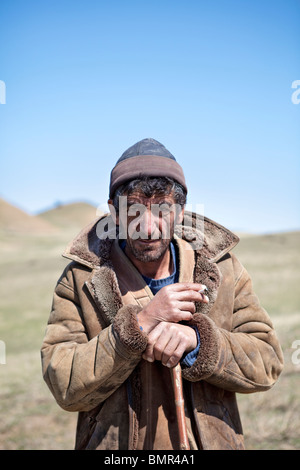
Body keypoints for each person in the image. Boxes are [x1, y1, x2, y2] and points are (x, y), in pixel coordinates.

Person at [41, 138, 284, 450]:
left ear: (181, 211)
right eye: (134, 210)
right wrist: (139, 324)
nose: (149, 228)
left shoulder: (223, 269)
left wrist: (200, 342)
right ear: (115, 213)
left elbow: (267, 363)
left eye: (163, 210)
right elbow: (64, 383)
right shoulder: (80, 279)